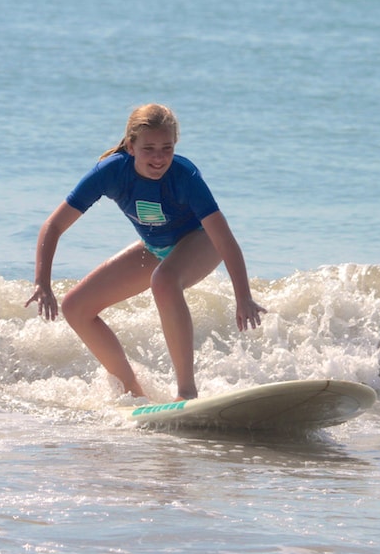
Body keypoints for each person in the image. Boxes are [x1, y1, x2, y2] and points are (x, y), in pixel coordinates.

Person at [25, 103, 265, 401]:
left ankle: (186, 393)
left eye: (167, 147)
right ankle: (132, 391)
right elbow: (53, 226)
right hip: (155, 247)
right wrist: (42, 282)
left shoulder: (185, 176)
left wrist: (243, 295)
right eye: (149, 148)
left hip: (201, 242)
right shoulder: (110, 172)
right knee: (76, 306)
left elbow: (225, 240)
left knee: (163, 281)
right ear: (130, 145)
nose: (159, 157)